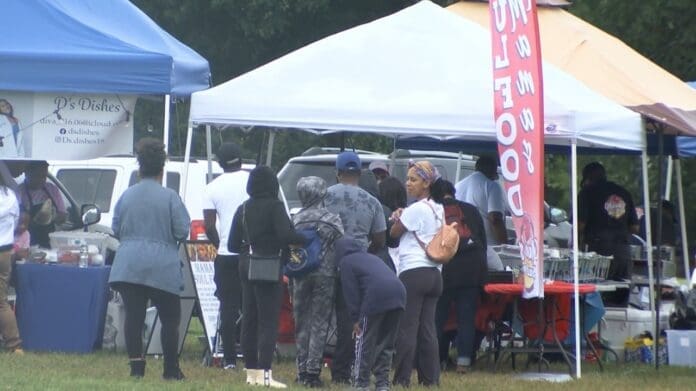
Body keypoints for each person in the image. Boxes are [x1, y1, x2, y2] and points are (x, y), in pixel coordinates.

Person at [108, 138, 191, 380]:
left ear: (139, 168)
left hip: (129, 264)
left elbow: (115, 228)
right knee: (170, 318)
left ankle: (136, 368)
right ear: (162, 170)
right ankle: (171, 370)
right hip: (162, 265)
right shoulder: (170, 197)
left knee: (134, 315)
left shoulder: (126, 196)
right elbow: (182, 231)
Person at [228, 165, 306, 389]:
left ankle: (251, 374)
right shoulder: (275, 206)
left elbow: (233, 244)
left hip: (245, 264)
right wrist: (305, 236)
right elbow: (286, 235)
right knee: (268, 321)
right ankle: (265, 374)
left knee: (249, 319)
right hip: (268, 265)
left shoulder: (243, 208)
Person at [323, 151, 387, 385]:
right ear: (360, 173)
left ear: (338, 173)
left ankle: (310, 366)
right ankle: (342, 370)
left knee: (319, 318)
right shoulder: (371, 201)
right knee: (349, 320)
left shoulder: (325, 196)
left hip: (325, 264)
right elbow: (380, 239)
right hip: (356, 267)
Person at [389, 160, 444, 387]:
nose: (408, 183)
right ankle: (430, 379)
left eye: (413, 179)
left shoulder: (416, 209)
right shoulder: (438, 208)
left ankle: (402, 379)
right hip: (435, 274)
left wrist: (397, 217)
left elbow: (394, 232)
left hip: (414, 272)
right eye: (408, 179)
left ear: (426, 183)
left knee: (407, 328)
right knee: (428, 329)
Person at [291, 176, 344, 388]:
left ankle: (301, 368)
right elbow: (343, 246)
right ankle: (313, 371)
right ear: (322, 194)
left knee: (301, 320)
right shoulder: (332, 219)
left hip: (300, 273)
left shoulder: (295, 219)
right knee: (320, 321)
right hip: (325, 274)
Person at [431, 179, 487, 374]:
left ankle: (437, 361)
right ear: (452, 192)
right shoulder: (470, 210)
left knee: (438, 318)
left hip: (446, 271)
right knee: (466, 318)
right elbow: (483, 243)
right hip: (472, 270)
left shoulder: (434, 211)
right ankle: (464, 361)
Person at [335, 237, 405, 391]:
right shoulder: (371, 257)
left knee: (364, 341)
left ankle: (361, 383)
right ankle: (382, 384)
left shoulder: (346, 262)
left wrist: (355, 319)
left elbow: (351, 293)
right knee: (387, 343)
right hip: (399, 293)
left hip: (376, 296)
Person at [202, 142, 249, 370]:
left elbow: (209, 226)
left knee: (228, 307)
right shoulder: (255, 181)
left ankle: (229, 359)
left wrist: (221, 244)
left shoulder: (212, 187)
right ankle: (253, 357)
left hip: (226, 255)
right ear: (241, 159)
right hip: (253, 253)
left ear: (219, 163)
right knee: (253, 306)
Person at [578, 162, 638, 283]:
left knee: (597, 293)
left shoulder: (587, 192)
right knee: (619, 294)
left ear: (587, 178)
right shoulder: (624, 193)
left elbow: (580, 225)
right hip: (623, 253)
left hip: (598, 254)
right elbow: (635, 227)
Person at [17, 160, 67, 248]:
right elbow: (15, 222)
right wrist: (34, 220)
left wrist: (53, 217)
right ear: (27, 173)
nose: (41, 180)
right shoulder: (18, 192)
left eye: (44, 176)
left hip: (48, 241)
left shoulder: (52, 189)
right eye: (37, 176)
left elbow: (63, 217)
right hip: (26, 243)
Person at [0, 174, 21, 354]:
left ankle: (13, 344)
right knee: (1, 300)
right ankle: (13, 345)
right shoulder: (10, 196)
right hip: (5, 252)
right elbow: (15, 222)